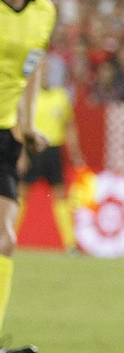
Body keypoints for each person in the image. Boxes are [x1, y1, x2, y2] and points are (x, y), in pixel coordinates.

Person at [0, 0, 54, 353]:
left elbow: (30, 68)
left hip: (2, 134)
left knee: (5, 239)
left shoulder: (43, 11)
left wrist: (27, 122)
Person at [17, 59, 79, 253]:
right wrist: (21, 153)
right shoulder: (28, 97)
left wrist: (75, 153)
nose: (43, 74)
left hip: (54, 149)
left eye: (46, 71)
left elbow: (70, 126)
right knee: (20, 194)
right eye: (40, 71)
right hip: (33, 149)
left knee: (60, 195)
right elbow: (19, 125)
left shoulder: (61, 96)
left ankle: (70, 244)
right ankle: (7, 236)